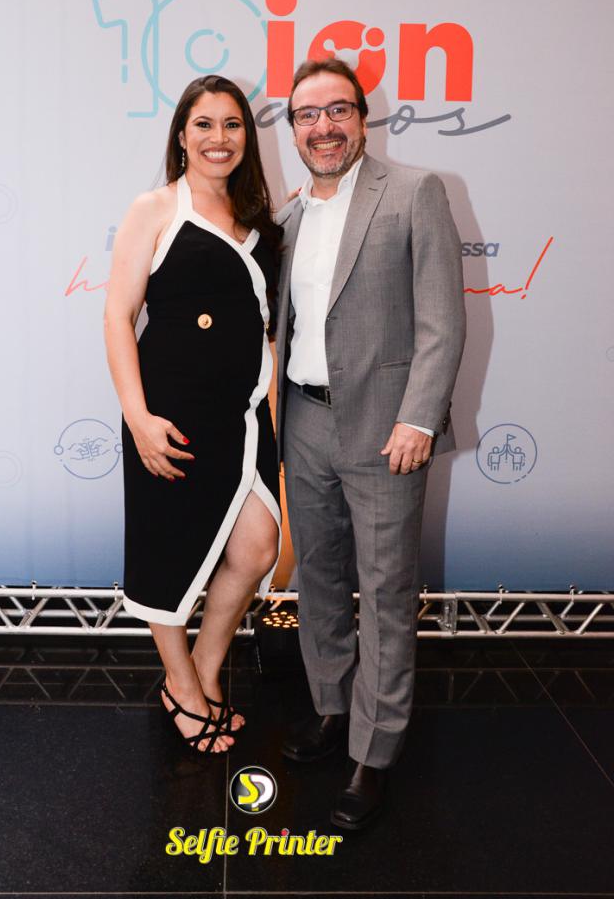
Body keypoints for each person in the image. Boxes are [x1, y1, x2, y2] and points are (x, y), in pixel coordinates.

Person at [275, 58, 466, 826]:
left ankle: (374, 752)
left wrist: (419, 418)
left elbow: (441, 321)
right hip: (303, 419)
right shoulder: (288, 217)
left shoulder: (415, 192)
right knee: (318, 578)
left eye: (337, 111)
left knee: (385, 592)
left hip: (387, 429)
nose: (322, 127)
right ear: (293, 129)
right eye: (306, 115)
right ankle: (331, 707)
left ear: (362, 117)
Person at [104, 75, 282, 755]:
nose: (218, 138)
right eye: (203, 124)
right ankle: (180, 686)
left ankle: (205, 668)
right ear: (182, 134)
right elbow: (118, 316)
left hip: (244, 420)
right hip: (169, 417)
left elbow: (266, 329)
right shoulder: (154, 208)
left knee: (257, 547)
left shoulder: (261, 222)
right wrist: (139, 418)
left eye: (232, 124)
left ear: (247, 137)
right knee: (167, 551)